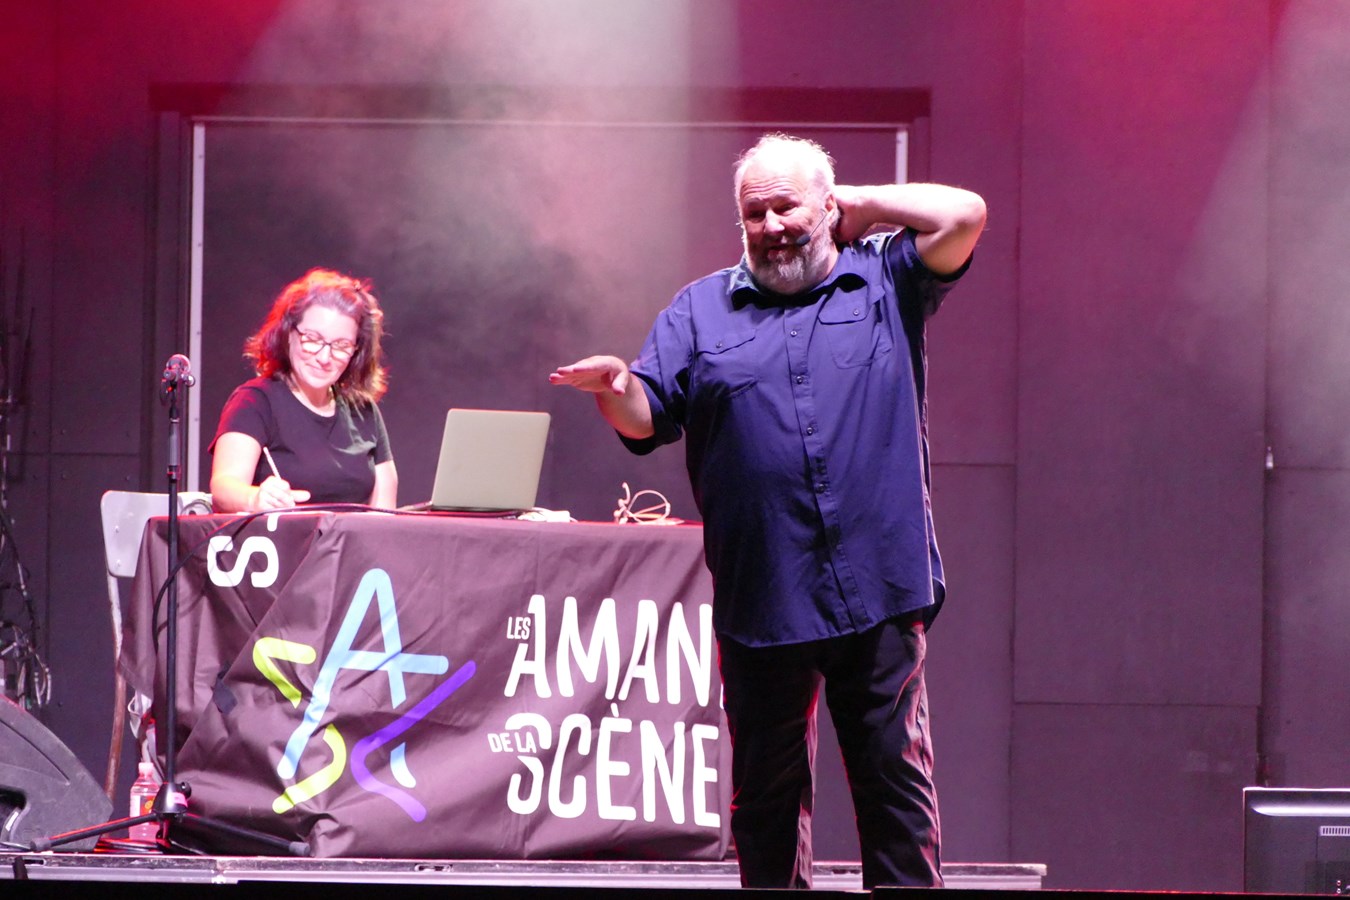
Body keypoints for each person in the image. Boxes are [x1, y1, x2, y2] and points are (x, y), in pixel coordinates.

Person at [550, 133, 986, 889]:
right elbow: (647, 417)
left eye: (788, 207)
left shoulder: (883, 277)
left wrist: (860, 204)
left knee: (894, 784)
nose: (773, 225)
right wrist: (617, 387)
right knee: (766, 802)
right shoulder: (700, 311)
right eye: (756, 214)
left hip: (877, 585)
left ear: (827, 204)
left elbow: (966, 214)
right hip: (765, 594)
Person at [210, 268, 398, 512]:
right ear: (288, 334)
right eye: (312, 339)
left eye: (341, 345)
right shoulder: (256, 401)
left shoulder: (364, 411)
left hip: (352, 538)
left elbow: (384, 514)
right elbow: (224, 487)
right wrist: (255, 498)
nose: (324, 357)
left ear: (356, 351)